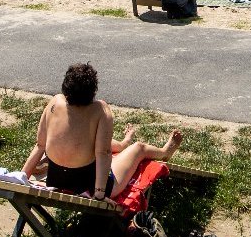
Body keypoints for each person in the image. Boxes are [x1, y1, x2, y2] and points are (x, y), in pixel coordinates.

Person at [24, 63, 182, 198]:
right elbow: (103, 153)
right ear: (93, 90)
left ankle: (122, 144)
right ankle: (163, 153)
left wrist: (22, 177)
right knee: (139, 148)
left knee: (89, 140)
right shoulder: (100, 109)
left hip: (56, 180)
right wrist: (99, 194)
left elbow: (40, 145)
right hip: (89, 187)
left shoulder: (55, 102)